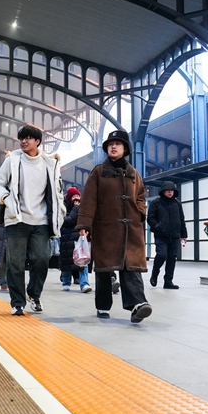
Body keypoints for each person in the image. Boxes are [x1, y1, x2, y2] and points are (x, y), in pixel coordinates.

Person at [76, 130, 152, 323]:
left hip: (131, 230)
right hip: (105, 228)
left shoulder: (133, 173)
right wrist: (85, 224)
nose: (113, 146)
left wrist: (140, 212)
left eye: (118, 143)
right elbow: (89, 200)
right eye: (110, 144)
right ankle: (102, 305)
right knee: (104, 269)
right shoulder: (99, 172)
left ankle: (138, 304)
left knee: (131, 267)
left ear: (125, 148)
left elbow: (141, 196)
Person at [0, 125, 66, 315]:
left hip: (41, 221)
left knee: (42, 258)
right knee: (15, 262)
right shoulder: (13, 160)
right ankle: (17, 302)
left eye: (28, 138)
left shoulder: (50, 163)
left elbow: (57, 193)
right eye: (22, 138)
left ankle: (34, 293)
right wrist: (6, 199)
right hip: (16, 220)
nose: (24, 141)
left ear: (38, 141)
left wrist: (61, 212)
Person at [147, 180, 188, 289]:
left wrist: (184, 234)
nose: (170, 192)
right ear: (163, 191)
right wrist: (157, 227)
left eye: (172, 191)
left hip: (175, 236)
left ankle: (168, 281)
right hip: (161, 235)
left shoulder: (177, 204)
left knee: (172, 258)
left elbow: (182, 219)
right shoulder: (156, 202)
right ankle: (155, 273)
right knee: (162, 255)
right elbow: (150, 218)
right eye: (168, 191)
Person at [59, 187, 92, 293]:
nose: (77, 199)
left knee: (83, 261)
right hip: (67, 239)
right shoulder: (65, 208)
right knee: (67, 263)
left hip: (79, 239)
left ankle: (84, 284)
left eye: (78, 196)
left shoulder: (81, 207)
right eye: (74, 196)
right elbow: (68, 221)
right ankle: (66, 282)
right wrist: (76, 208)